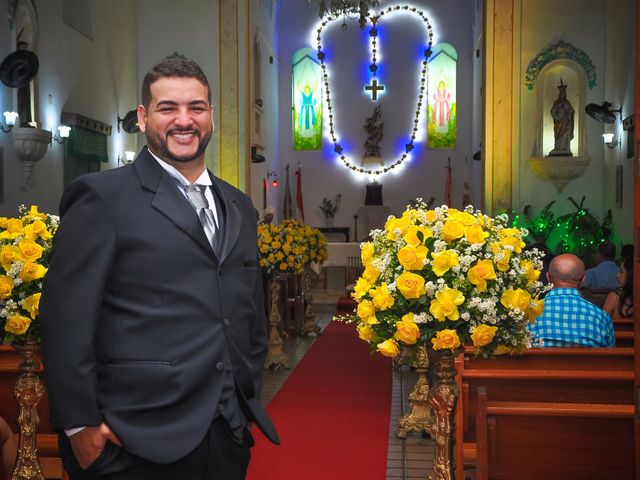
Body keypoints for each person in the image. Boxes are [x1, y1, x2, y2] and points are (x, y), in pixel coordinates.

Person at [40, 55, 279, 480]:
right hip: (132, 441)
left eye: (196, 108)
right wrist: (81, 429)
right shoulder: (101, 198)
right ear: (143, 116)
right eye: (168, 108)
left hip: (227, 435)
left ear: (211, 116)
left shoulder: (238, 204)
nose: (183, 120)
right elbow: (64, 323)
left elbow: (248, 317)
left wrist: (244, 401)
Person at [529, 254, 614, 347]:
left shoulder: (528, 314)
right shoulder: (601, 317)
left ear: (548, 277)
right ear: (583, 280)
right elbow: (612, 356)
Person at [548, 78, 574, 156]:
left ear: (565, 94)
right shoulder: (556, 102)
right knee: (557, 135)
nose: (562, 94)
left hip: (566, 122)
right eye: (561, 93)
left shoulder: (567, 102)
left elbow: (572, 111)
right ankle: (557, 148)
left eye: (563, 93)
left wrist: (568, 111)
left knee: (565, 134)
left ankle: (565, 148)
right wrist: (558, 108)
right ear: (559, 94)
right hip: (558, 123)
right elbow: (552, 111)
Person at [602, 255, 633, 320]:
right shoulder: (614, 297)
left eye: (621, 271)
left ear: (631, 275)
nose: (617, 275)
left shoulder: (614, 298)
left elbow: (603, 325)